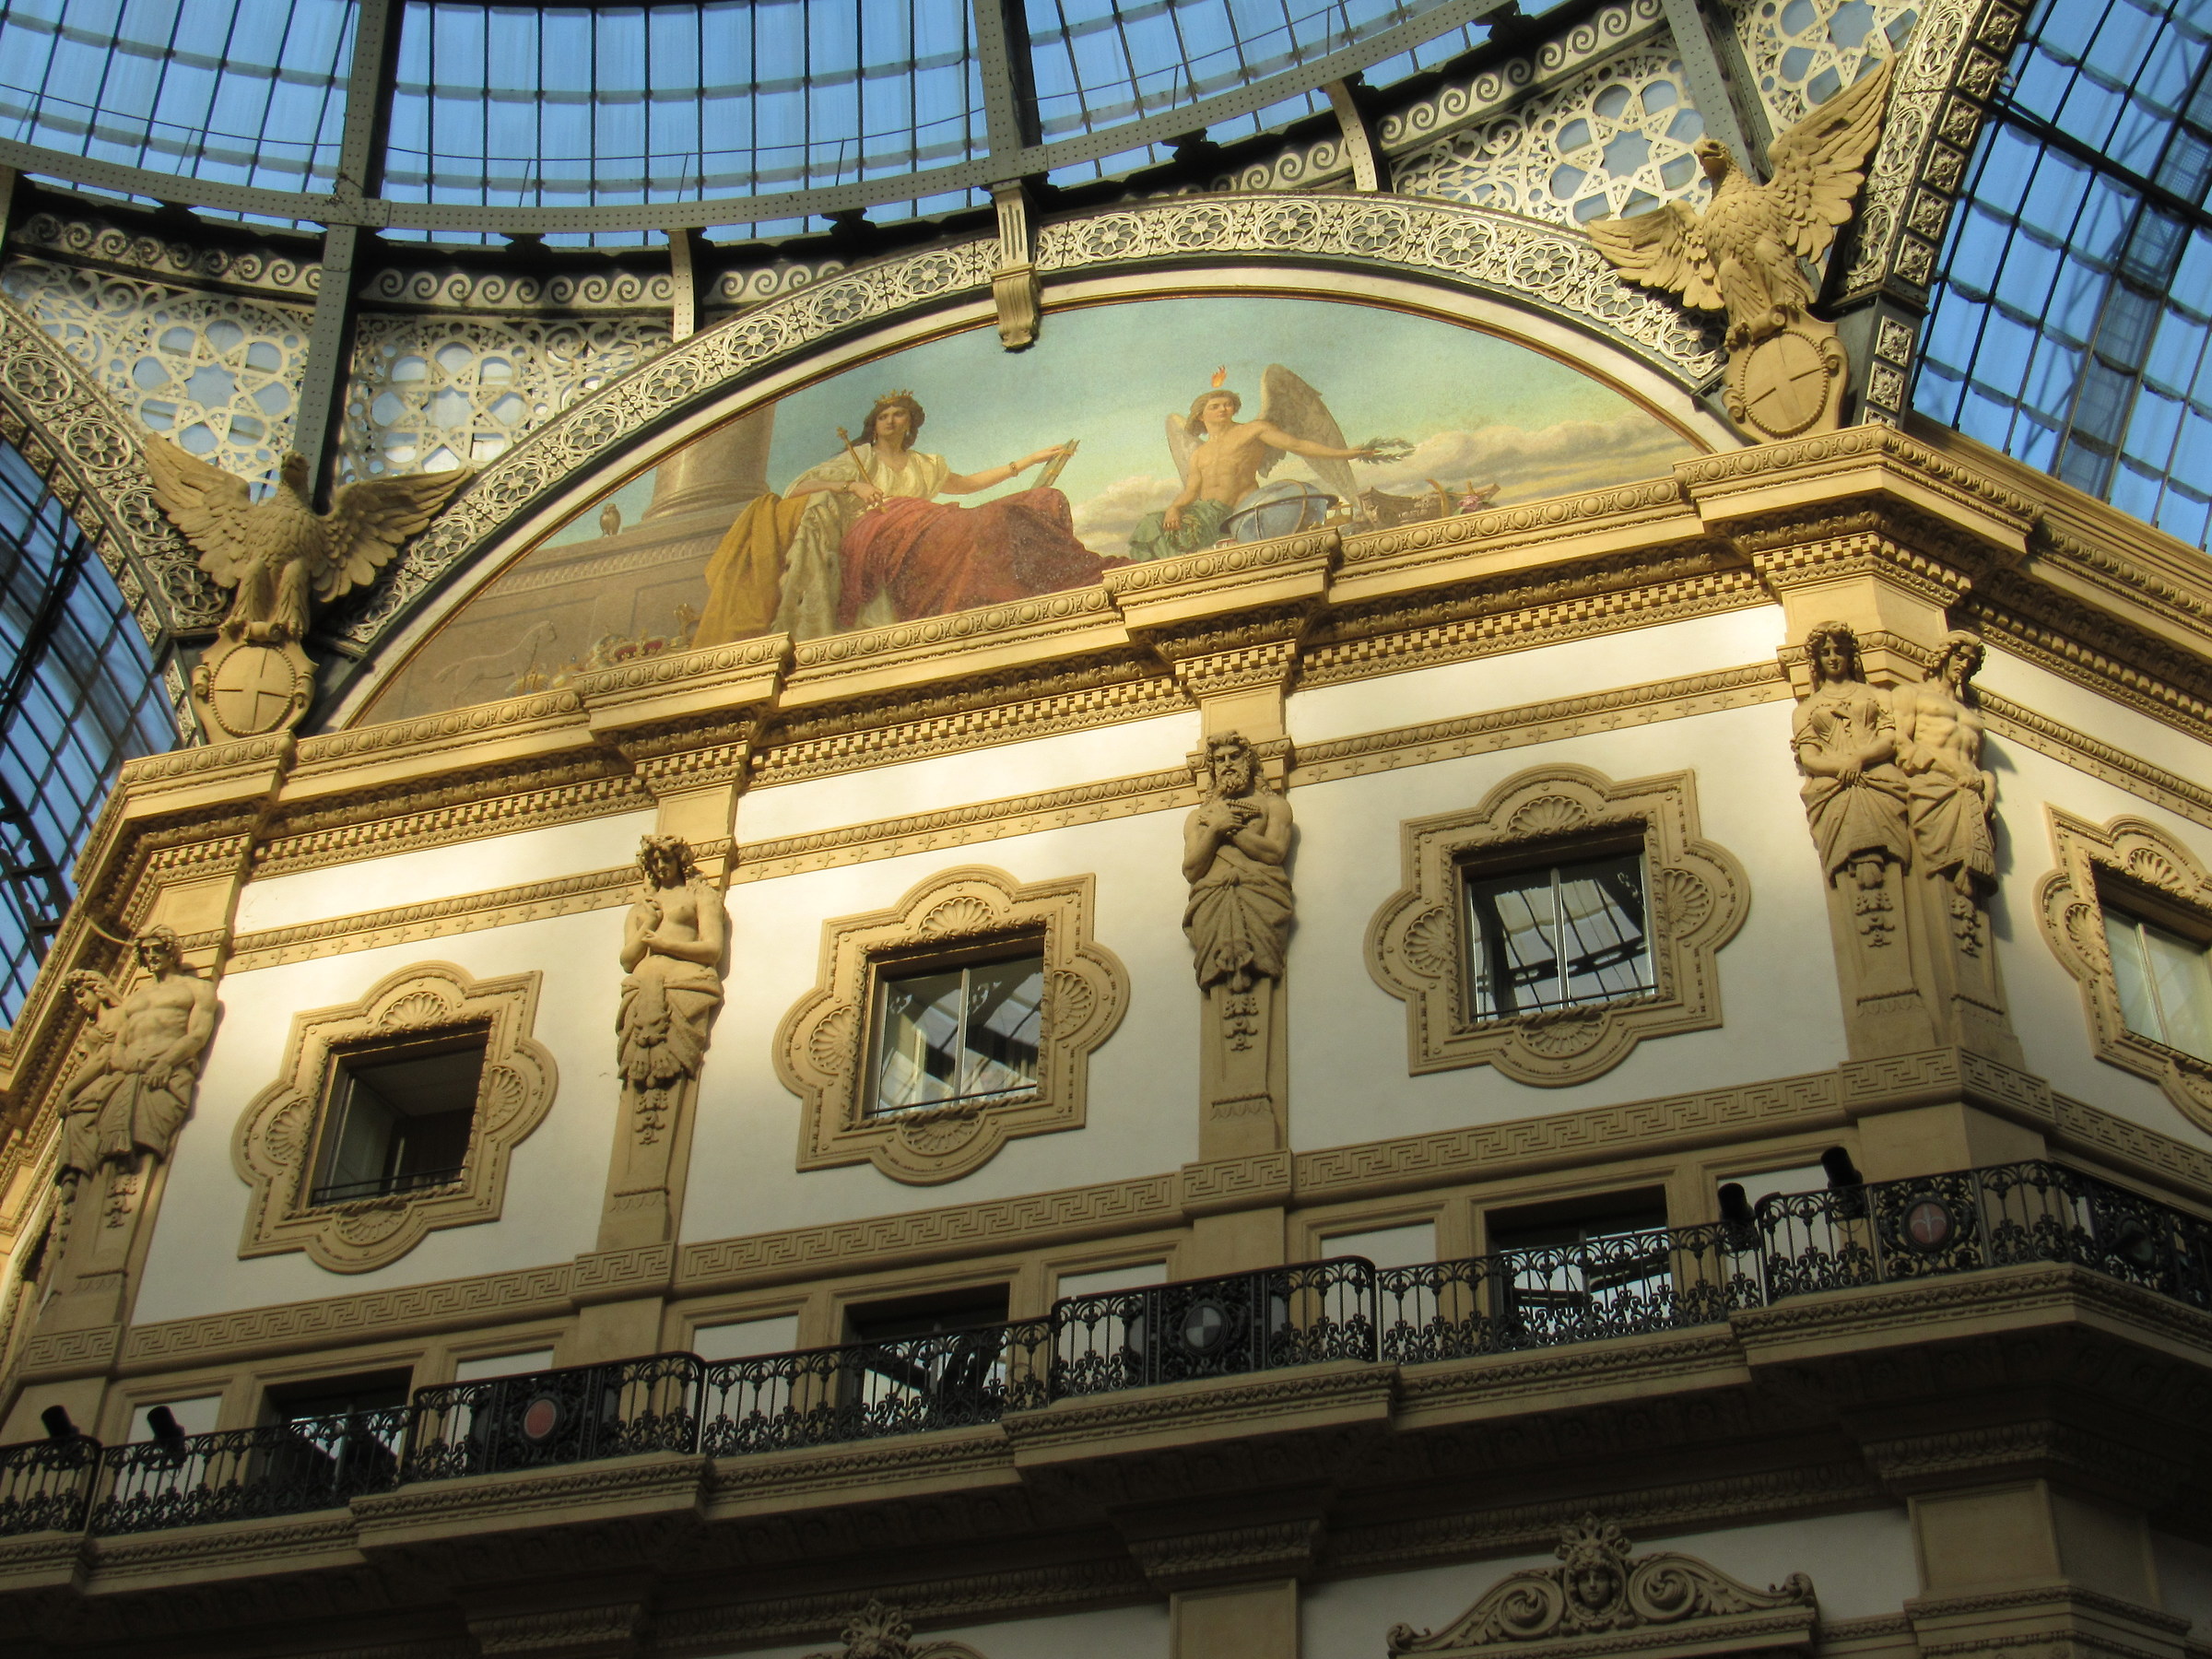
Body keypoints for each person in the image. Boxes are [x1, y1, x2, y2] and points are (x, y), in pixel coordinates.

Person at [696, 392, 1109, 643]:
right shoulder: (859, 457)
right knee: (960, 527)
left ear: (911, 422)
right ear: (874, 425)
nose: (892, 420)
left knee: (999, 517)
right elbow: (797, 490)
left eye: (899, 414)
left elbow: (967, 485)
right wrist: (853, 486)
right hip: (877, 529)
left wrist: (1028, 460)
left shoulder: (925, 464)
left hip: (925, 521)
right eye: (884, 415)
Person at [1130, 387, 1380, 561]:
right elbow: (1191, 491)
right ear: (1200, 415)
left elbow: (1298, 445)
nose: (1223, 409)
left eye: (1228, 404)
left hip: (1241, 509)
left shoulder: (1253, 430)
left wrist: (1345, 453)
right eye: (1215, 407)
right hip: (1206, 513)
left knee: (1158, 530)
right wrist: (1174, 508)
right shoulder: (1199, 453)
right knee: (1151, 525)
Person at [53, 926, 218, 1182]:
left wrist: (166, 1063)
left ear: (172, 952)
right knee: (105, 1135)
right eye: (146, 951)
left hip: (163, 1071)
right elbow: (119, 1041)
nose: (152, 955)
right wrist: (121, 1062)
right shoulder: (134, 999)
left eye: (157, 949)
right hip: (127, 1074)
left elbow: (197, 1035)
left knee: (145, 1135)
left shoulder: (198, 989)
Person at [618, 835, 728, 1134]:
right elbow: (627, 960)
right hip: (643, 992)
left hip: (685, 987)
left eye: (666, 859)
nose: (661, 866)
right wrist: (649, 924)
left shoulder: (700, 896)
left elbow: (712, 949)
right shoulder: (641, 908)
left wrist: (664, 945)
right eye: (654, 862)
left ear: (680, 860)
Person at [1791, 621, 1912, 887]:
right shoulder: (1806, 709)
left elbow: (1889, 739)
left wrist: (1859, 759)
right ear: (1817, 660)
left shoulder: (1877, 695)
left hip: (1879, 775)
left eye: (1839, 651)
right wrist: (1844, 767)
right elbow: (1810, 758)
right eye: (1825, 653)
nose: (1833, 658)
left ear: (1850, 654)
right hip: (1832, 783)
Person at [1182, 733, 1296, 992]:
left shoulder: (1274, 805)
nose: (1227, 764)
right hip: (1212, 899)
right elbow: (1191, 870)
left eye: (1234, 756)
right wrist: (1214, 830)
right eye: (1220, 760)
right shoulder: (1197, 818)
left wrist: (1230, 829)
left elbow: (1274, 853)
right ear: (1213, 769)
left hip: (1260, 895)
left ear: (1249, 762)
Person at [1892, 630, 1996, 895]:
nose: (1964, 664)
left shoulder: (1972, 716)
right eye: (1960, 657)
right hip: (1936, 786)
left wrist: (1989, 784)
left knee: (1971, 878)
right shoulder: (1912, 693)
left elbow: (1978, 762)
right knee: (1946, 880)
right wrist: (1951, 770)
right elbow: (1902, 742)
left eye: (1970, 661)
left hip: (1971, 793)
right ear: (1944, 656)